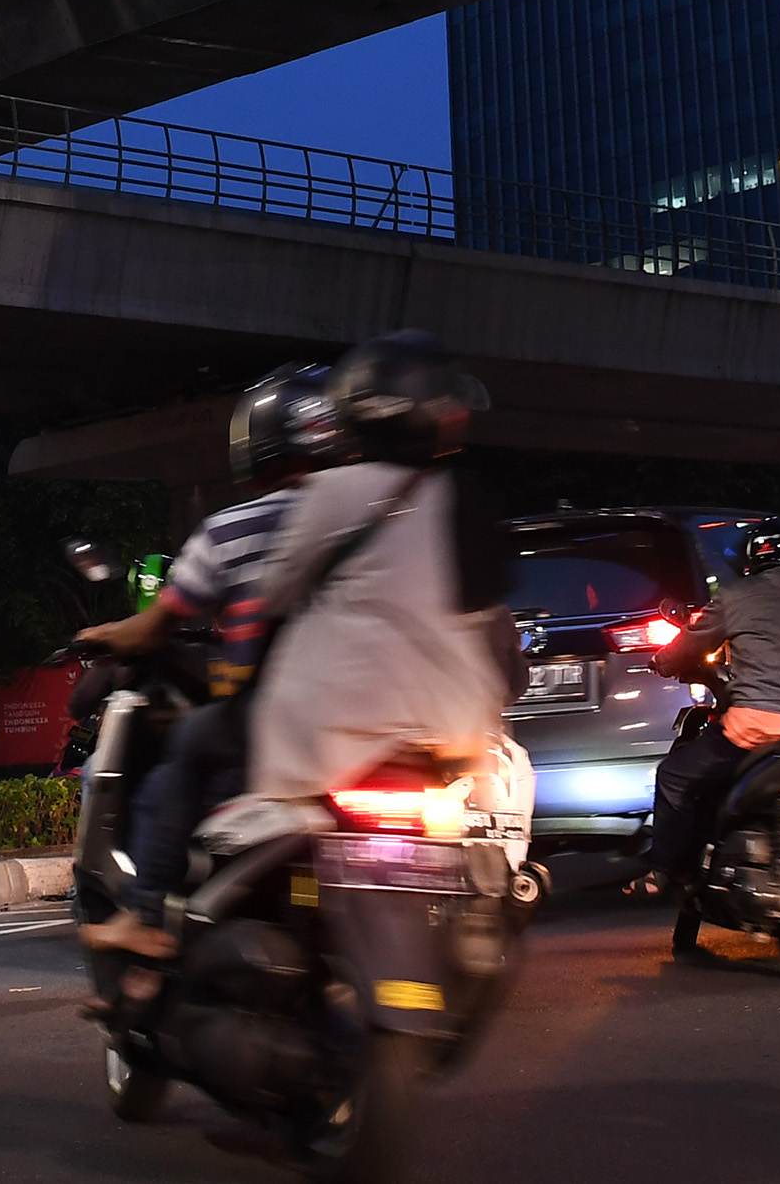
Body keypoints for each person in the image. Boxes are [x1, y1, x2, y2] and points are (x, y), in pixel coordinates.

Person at [72, 361, 326, 957]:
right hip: (367, 723)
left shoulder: (230, 531)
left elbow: (154, 628)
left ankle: (148, 913)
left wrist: (104, 634)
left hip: (270, 727)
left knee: (181, 761)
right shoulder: (375, 522)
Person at [236, 331, 513, 823]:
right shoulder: (470, 500)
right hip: (451, 738)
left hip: (326, 738)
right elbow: (490, 619)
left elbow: (274, 592)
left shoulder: (328, 491)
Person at [644, 516, 780, 960]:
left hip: (754, 729)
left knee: (675, 775)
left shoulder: (737, 596)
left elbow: (689, 646)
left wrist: (662, 662)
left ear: (749, 561)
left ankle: (663, 871)